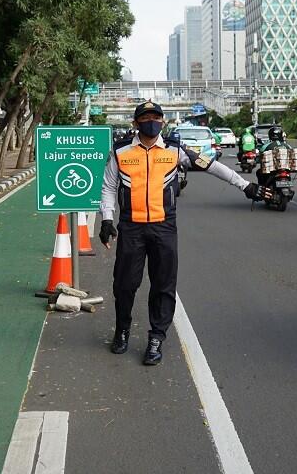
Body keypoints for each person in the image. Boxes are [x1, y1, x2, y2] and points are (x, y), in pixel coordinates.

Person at [99, 101, 271, 365]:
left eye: (156, 117)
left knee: (163, 286)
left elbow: (211, 165)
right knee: (124, 285)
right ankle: (122, 330)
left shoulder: (175, 150)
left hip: (163, 227)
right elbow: (109, 187)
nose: (151, 122)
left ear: (163, 122)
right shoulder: (121, 151)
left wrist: (245, 186)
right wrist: (107, 220)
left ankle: (156, 337)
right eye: (145, 118)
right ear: (135, 124)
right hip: (131, 227)